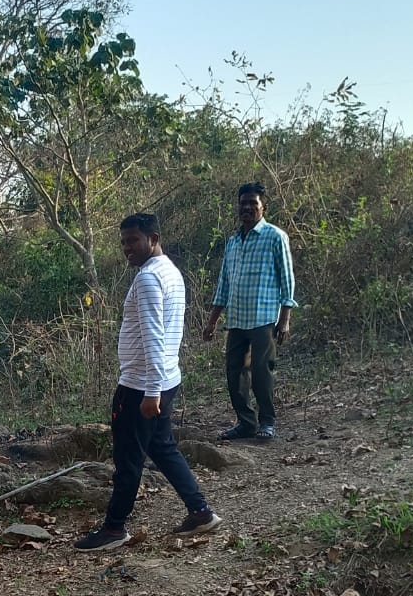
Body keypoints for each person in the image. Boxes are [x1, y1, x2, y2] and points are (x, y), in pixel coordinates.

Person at [74, 214, 222, 553]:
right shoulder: (169, 271)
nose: (127, 248)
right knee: (163, 448)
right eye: (123, 242)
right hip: (165, 378)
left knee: (128, 458)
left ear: (153, 238)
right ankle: (200, 512)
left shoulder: (148, 279)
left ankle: (114, 528)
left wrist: (151, 391)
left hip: (143, 385)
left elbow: (155, 336)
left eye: (133, 241)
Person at [204, 182, 296, 441]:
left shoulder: (275, 237)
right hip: (237, 319)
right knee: (234, 373)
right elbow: (224, 282)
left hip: (264, 318)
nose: (246, 208)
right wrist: (212, 321)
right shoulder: (233, 242)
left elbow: (287, 280)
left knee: (261, 372)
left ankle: (267, 422)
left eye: (252, 204)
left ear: (263, 207)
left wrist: (285, 319)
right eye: (242, 203)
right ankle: (245, 422)